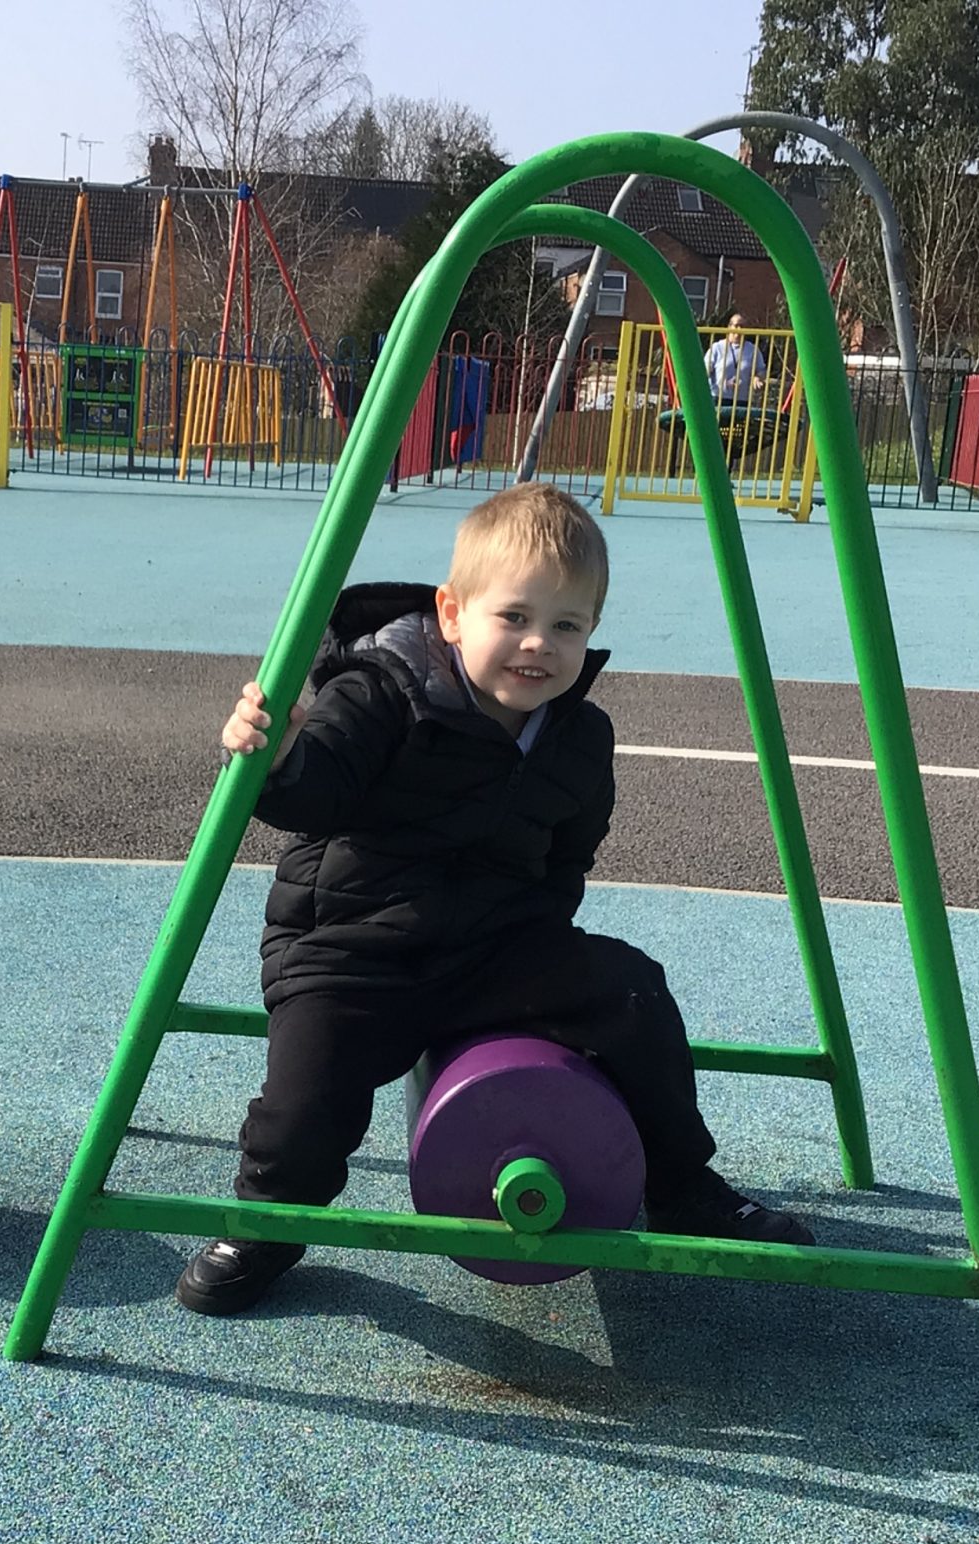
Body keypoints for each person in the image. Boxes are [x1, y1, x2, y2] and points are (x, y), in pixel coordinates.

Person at [178, 482, 813, 1316]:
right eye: (513, 617)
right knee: (309, 1094)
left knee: (630, 991)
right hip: (352, 946)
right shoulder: (380, 693)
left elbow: (568, 853)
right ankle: (269, 1219)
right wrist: (278, 751)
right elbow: (312, 798)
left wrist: (538, 951)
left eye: (567, 626)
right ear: (452, 613)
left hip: (488, 949)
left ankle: (682, 1184)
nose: (538, 644)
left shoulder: (577, 736)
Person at [704, 316, 765, 407]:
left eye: (742, 326)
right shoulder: (717, 347)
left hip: (741, 400)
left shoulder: (752, 349)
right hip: (718, 398)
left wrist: (757, 378)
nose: (739, 329)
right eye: (736, 325)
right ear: (729, 327)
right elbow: (705, 369)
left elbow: (761, 370)